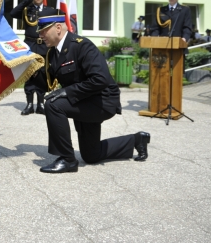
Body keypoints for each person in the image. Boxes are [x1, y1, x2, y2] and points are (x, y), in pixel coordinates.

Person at [32, 9, 150, 173]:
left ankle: (67, 159)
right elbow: (47, 84)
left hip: (102, 101)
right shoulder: (53, 53)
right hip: (84, 100)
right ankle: (137, 140)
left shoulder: (82, 45)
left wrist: (67, 92)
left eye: (44, 30)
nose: (41, 35)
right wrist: (29, 71)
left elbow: (100, 79)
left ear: (58, 28)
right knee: (91, 155)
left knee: (53, 104)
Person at [9, 0, 54, 115]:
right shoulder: (26, 10)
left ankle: (40, 104)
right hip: (29, 45)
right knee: (29, 73)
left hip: (43, 45)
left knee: (42, 73)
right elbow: (13, 13)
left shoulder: (49, 10)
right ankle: (29, 104)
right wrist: (27, 0)